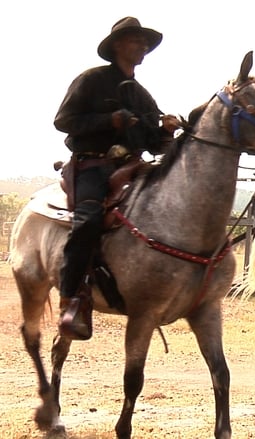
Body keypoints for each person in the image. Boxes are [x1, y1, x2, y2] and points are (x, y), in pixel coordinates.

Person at [54, 17, 179, 340]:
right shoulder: (91, 81)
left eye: (144, 43)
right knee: (88, 221)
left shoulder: (141, 95)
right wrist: (108, 120)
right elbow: (64, 121)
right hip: (92, 166)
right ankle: (71, 300)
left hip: (132, 169)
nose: (143, 48)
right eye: (136, 41)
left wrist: (165, 131)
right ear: (118, 46)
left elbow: (153, 143)